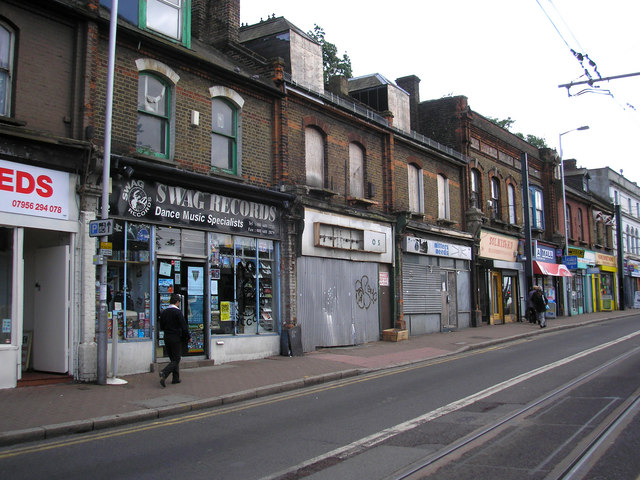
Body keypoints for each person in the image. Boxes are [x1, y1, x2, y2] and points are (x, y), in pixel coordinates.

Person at [159, 293, 189, 387]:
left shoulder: (164, 312)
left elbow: (161, 326)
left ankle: (175, 378)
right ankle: (164, 372)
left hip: (167, 337)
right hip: (175, 337)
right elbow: (184, 326)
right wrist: (187, 337)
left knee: (173, 358)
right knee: (177, 358)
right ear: (177, 302)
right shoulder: (177, 312)